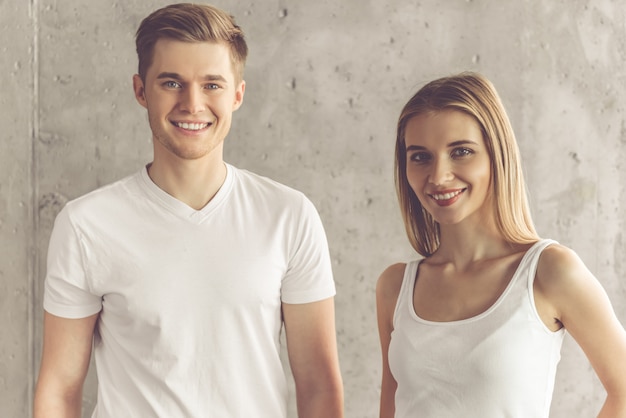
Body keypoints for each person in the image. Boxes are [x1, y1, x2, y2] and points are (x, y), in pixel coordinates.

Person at [34, 3, 343, 417]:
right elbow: (59, 387)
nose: (192, 103)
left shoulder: (288, 216)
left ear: (237, 94)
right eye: (171, 83)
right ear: (141, 90)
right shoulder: (85, 224)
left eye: (212, 85)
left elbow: (319, 386)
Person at [376, 72, 626, 418]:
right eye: (420, 157)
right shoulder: (395, 286)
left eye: (460, 151)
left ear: (497, 154)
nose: (438, 176)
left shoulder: (549, 272)